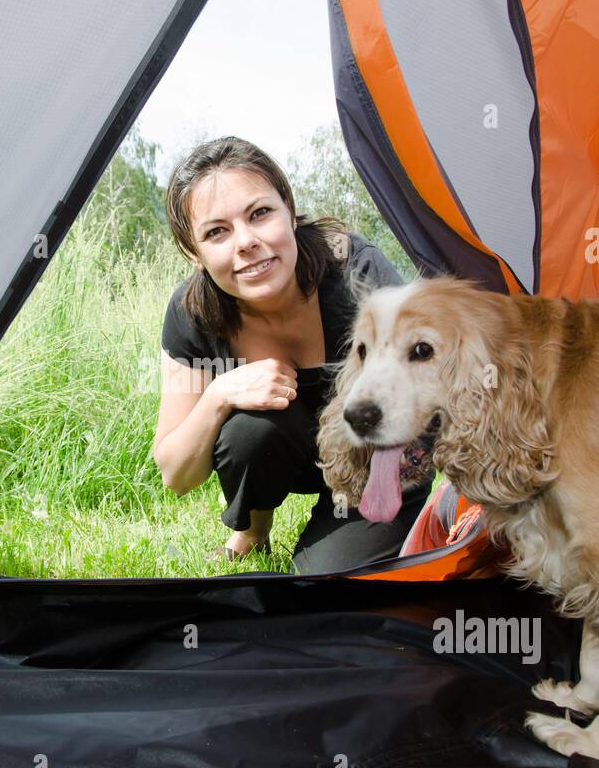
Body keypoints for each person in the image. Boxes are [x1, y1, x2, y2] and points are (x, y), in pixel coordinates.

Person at [151, 136, 431, 573]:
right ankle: (253, 529)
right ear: (194, 251)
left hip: (376, 457)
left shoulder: (356, 272)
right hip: (289, 446)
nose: (245, 242)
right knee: (249, 434)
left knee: (325, 582)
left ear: (289, 208)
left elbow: (425, 395)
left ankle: (346, 531)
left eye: (260, 213)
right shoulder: (192, 313)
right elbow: (176, 474)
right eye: (216, 232)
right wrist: (220, 393)